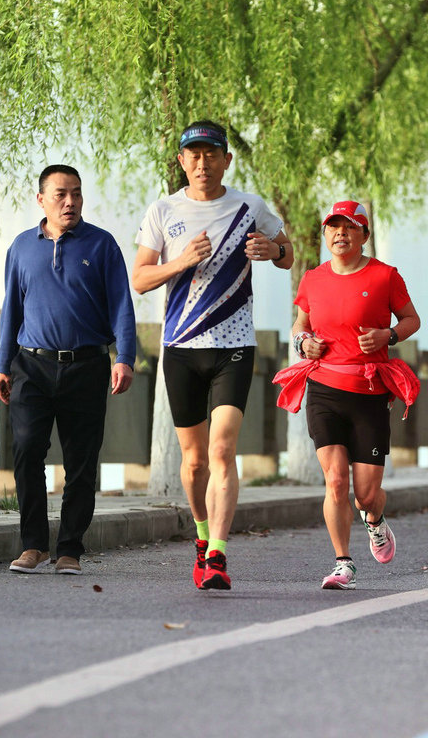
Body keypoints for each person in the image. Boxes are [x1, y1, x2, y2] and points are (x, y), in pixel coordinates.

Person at [132, 120, 293, 590]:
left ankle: (219, 554)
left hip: (234, 347)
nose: (202, 163)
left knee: (222, 450)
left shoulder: (249, 206)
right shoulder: (163, 210)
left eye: (211, 154)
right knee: (194, 461)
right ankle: (202, 536)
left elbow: (287, 254)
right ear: (182, 161)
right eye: (194, 155)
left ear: (226, 160)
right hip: (182, 348)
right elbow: (139, 279)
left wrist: (272, 249)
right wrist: (182, 260)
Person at [271, 201, 420, 589]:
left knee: (366, 494)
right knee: (336, 480)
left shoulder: (385, 276)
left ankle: (375, 519)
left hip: (369, 394)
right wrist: (304, 344)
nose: (340, 233)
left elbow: (411, 320)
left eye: (350, 226)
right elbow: (300, 325)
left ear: (364, 235)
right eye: (333, 226)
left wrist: (388, 335)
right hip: (324, 390)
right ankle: (343, 563)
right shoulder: (313, 279)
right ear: (325, 234)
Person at [0, 165, 136, 576]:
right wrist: (2, 365)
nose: (69, 202)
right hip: (30, 365)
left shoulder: (102, 245)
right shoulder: (22, 247)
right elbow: (11, 310)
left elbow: (122, 305)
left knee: (81, 462)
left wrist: (124, 357)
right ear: (41, 200)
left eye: (76, 193)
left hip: (87, 366)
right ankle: (33, 545)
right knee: (26, 450)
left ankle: (70, 549)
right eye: (60, 194)